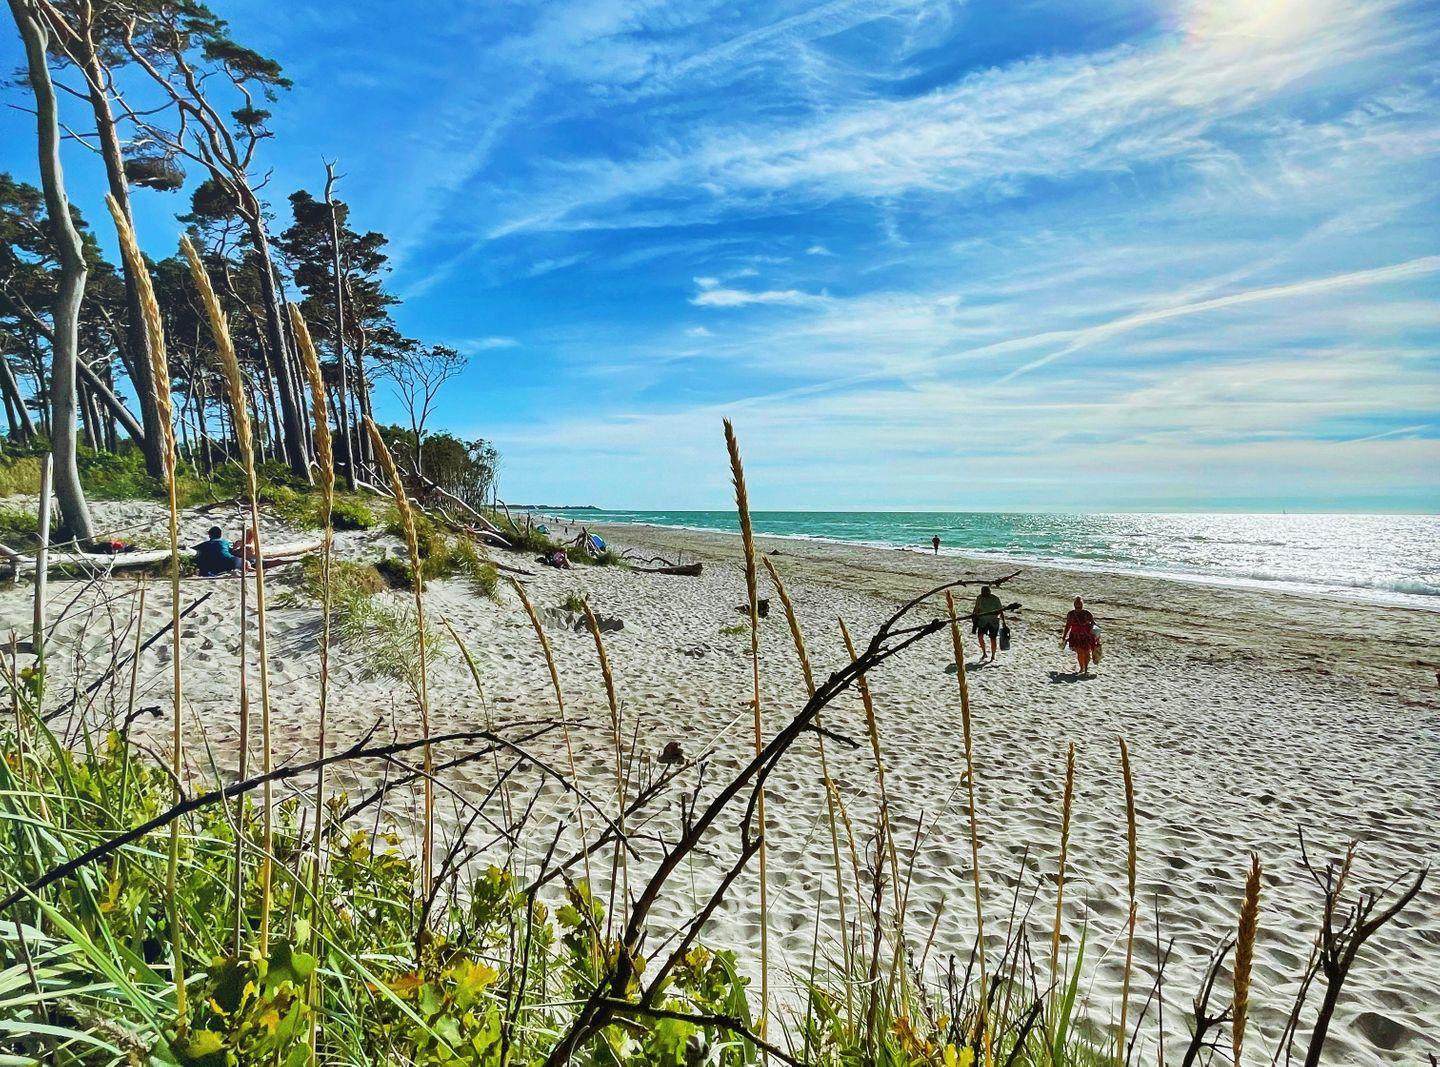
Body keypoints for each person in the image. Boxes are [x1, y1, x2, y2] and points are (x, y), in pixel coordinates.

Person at [1061, 596, 1097, 676]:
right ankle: (1081, 668)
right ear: (1074, 606)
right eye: (1076, 607)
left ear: (1082, 606)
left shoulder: (1087, 614)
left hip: (1086, 636)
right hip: (1076, 636)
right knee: (1080, 653)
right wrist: (1064, 636)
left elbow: (1093, 624)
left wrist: (1095, 636)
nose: (1078, 609)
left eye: (1080, 607)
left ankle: (1086, 669)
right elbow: (1068, 626)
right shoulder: (1071, 614)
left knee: (1087, 652)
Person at [972, 585, 1006, 662]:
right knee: (980, 637)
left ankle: (993, 656)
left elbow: (1001, 611)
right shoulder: (979, 598)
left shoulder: (995, 599)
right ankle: (984, 653)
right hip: (982, 621)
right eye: (982, 593)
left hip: (993, 622)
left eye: (985, 592)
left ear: (989, 592)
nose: (983, 594)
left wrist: (1004, 622)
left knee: (993, 639)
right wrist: (974, 616)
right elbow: (976, 608)